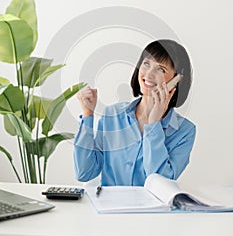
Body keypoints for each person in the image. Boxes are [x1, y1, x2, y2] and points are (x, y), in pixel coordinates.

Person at [74, 39, 196, 186]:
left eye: (161, 69)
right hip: (110, 206)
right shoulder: (112, 115)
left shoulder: (185, 131)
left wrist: (154, 125)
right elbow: (84, 173)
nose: (149, 74)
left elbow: (160, 181)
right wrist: (88, 115)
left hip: (151, 208)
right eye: (146, 64)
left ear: (177, 80)